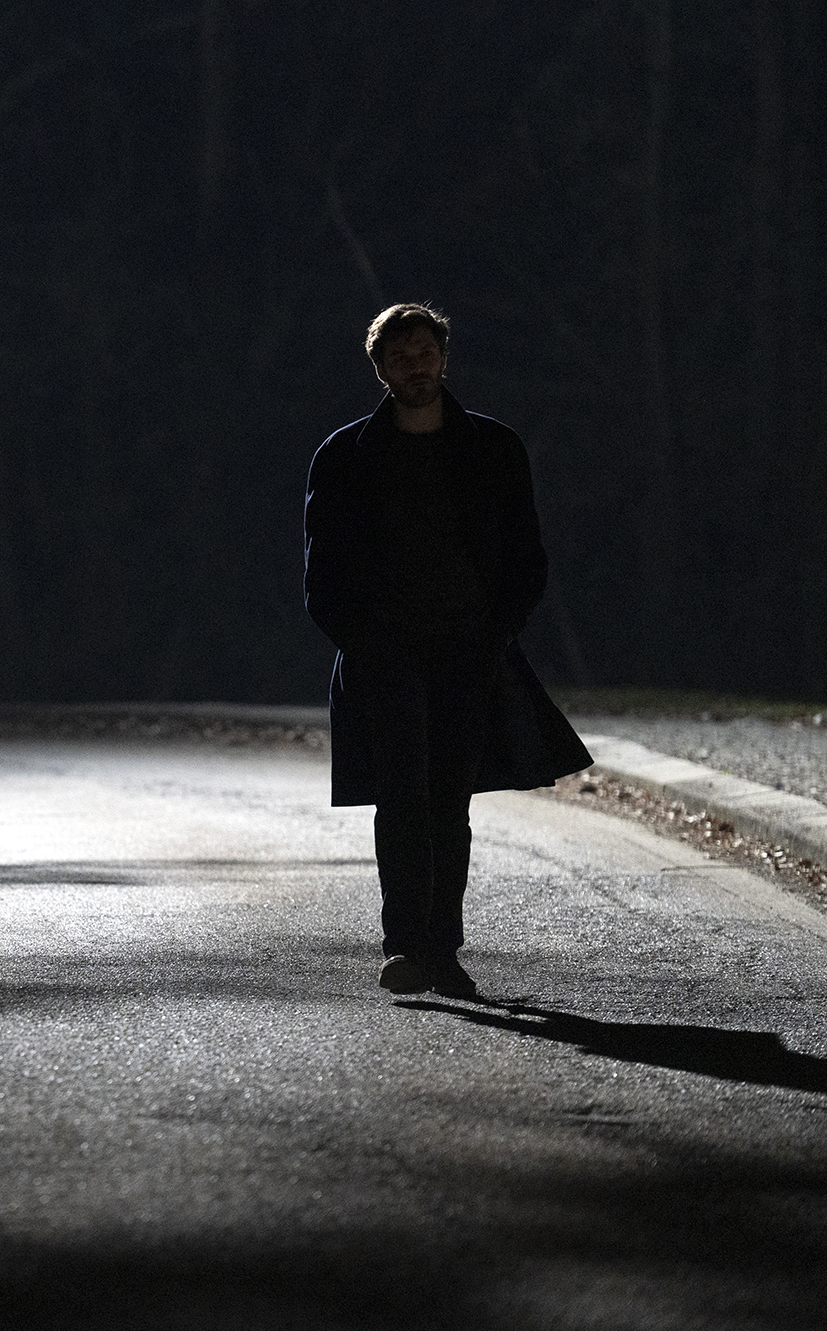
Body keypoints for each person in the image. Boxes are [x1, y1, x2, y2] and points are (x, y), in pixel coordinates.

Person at [303, 304, 591, 999]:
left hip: (468, 649)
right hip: (384, 656)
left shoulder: (493, 448)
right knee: (401, 797)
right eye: (401, 356)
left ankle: (442, 948)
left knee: (448, 802)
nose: (416, 366)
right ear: (380, 368)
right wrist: (361, 640)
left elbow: (527, 552)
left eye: (425, 352)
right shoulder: (345, 456)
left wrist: (496, 631)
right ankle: (407, 945)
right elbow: (322, 569)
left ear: (443, 358)